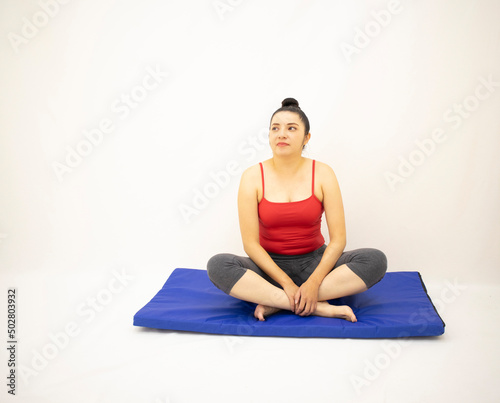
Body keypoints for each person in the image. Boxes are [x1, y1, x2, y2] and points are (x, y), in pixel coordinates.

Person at [206, 98, 387, 322]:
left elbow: (339, 239)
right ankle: (315, 305)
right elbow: (250, 245)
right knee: (218, 265)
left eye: (291, 128)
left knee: (375, 260)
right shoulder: (252, 177)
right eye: (275, 128)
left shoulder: (323, 173)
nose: (282, 134)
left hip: (316, 264)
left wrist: (313, 282)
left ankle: (278, 302)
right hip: (268, 268)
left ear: (306, 137)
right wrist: (286, 283)